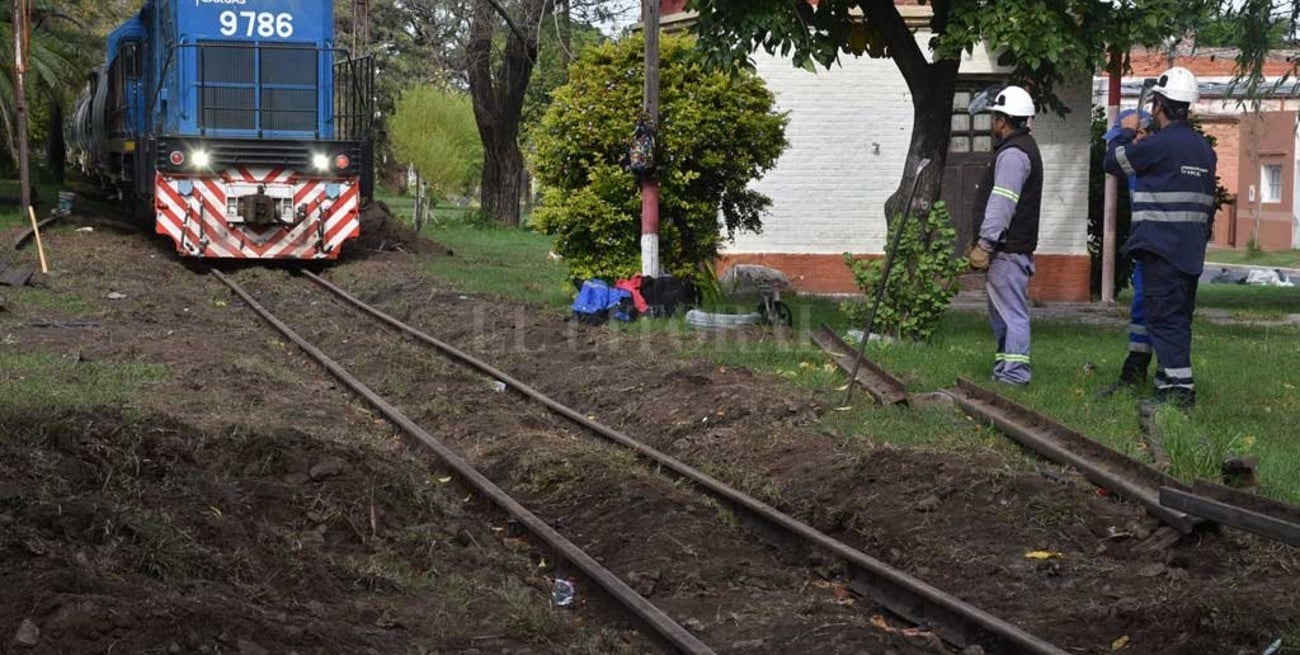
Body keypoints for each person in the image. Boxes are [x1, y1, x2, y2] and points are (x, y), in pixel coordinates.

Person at [1104, 66, 1216, 408]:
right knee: (1178, 319)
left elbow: (1113, 162)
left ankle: (1180, 393)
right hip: (1190, 251)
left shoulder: (1160, 144)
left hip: (1160, 249)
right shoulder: (1203, 150)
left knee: (1164, 320)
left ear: (1160, 106)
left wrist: (1124, 133)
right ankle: (1168, 386)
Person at [968, 85, 1043, 386]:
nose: (993, 123)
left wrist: (985, 244)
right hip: (1011, 248)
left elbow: (1002, 202)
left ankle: (1015, 375)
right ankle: (1004, 370)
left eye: (995, 117)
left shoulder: (1013, 154)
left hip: (1006, 249)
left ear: (1003, 120)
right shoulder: (1023, 149)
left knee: (1012, 313)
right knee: (1002, 312)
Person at [1099, 110, 1154, 396]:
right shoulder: (1137, 166)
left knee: (1163, 313)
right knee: (1141, 311)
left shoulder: (1155, 163)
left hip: (1161, 251)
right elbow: (1111, 162)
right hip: (1144, 247)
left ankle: (1169, 379)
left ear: (1143, 135)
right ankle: (1135, 371)